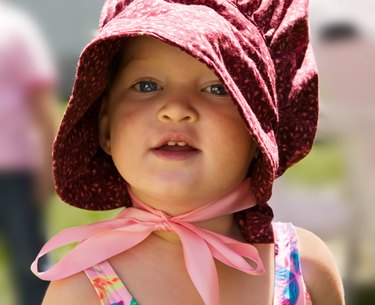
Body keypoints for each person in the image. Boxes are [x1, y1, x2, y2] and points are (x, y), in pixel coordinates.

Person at [31, 0, 345, 304]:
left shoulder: (304, 269)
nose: (176, 110)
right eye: (146, 86)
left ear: (259, 131)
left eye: (217, 88)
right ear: (105, 128)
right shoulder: (80, 291)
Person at [0, 2, 58, 305]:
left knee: (30, 262)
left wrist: (50, 164)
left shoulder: (15, 28)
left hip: (16, 170)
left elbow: (42, 98)